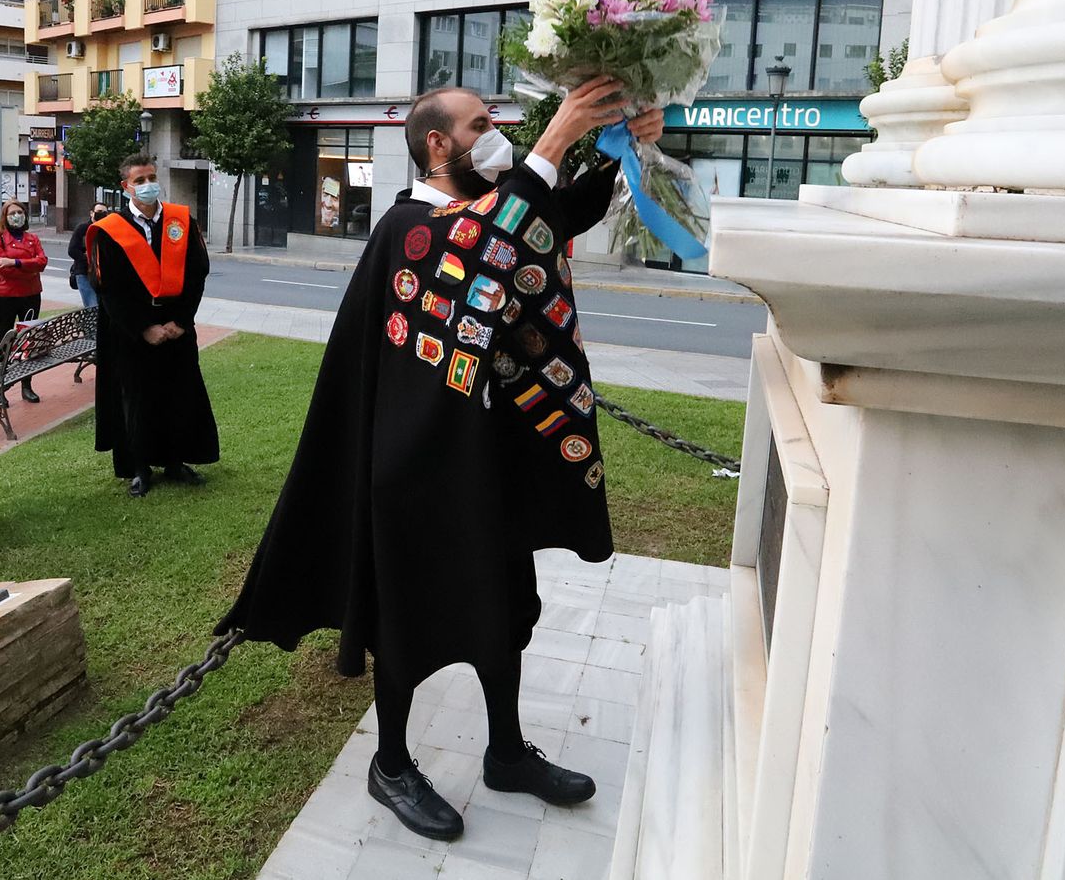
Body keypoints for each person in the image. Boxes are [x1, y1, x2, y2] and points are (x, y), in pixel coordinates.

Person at [215, 83, 667, 840]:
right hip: (414, 464)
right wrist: (552, 141)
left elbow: (547, 219)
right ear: (438, 144)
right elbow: (484, 243)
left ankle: (505, 752)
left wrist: (622, 149)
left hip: (482, 453)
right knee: (409, 616)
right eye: (480, 126)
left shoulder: (489, 212)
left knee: (504, 604)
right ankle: (390, 762)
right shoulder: (412, 228)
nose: (495, 136)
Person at [87, 155, 217, 497]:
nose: (147, 185)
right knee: (136, 399)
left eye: (151, 177)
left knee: (179, 394)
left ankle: (174, 462)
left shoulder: (181, 221)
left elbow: (197, 274)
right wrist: (144, 328)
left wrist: (181, 321)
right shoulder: (109, 230)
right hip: (131, 334)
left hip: (176, 327)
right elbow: (108, 290)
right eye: (140, 180)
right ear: (126, 186)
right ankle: (140, 468)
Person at [0, 199, 48, 403]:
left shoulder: (32, 239)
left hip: (31, 296)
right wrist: (28, 268)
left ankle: (26, 386)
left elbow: (42, 262)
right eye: (12, 213)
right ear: (5, 217)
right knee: (3, 342)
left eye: (20, 212)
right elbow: (0, 268)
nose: (16, 216)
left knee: (27, 342)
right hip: (6, 298)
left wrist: (14, 262)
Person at [67, 201, 108, 309]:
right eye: (99, 212)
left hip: (102, 274)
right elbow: (72, 250)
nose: (102, 215)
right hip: (84, 273)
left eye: (105, 213)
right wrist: (89, 258)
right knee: (92, 306)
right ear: (91, 213)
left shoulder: (107, 229)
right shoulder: (82, 228)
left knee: (104, 307)